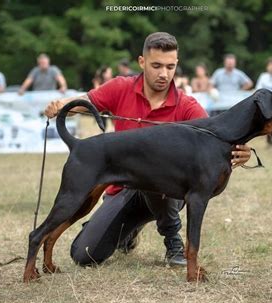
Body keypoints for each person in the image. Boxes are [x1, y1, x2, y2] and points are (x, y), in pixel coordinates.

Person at [44, 32, 252, 267]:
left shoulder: (187, 106)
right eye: (156, 66)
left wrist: (242, 151)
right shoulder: (121, 87)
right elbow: (87, 101)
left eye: (170, 66)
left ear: (177, 65)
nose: (164, 74)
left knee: (155, 164)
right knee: (84, 255)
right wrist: (62, 107)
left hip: (167, 190)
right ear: (142, 62)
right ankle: (127, 230)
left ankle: (173, 240)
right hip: (121, 186)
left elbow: (217, 139)